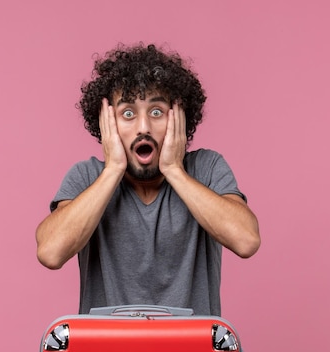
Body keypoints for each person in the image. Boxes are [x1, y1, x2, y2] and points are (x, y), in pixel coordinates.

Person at [36, 43, 260, 316]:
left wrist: (174, 170)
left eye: (156, 112)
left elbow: (246, 241)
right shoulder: (88, 177)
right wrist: (113, 169)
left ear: (179, 118)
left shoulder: (206, 168)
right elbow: (50, 253)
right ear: (108, 124)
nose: (143, 127)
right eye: (127, 114)